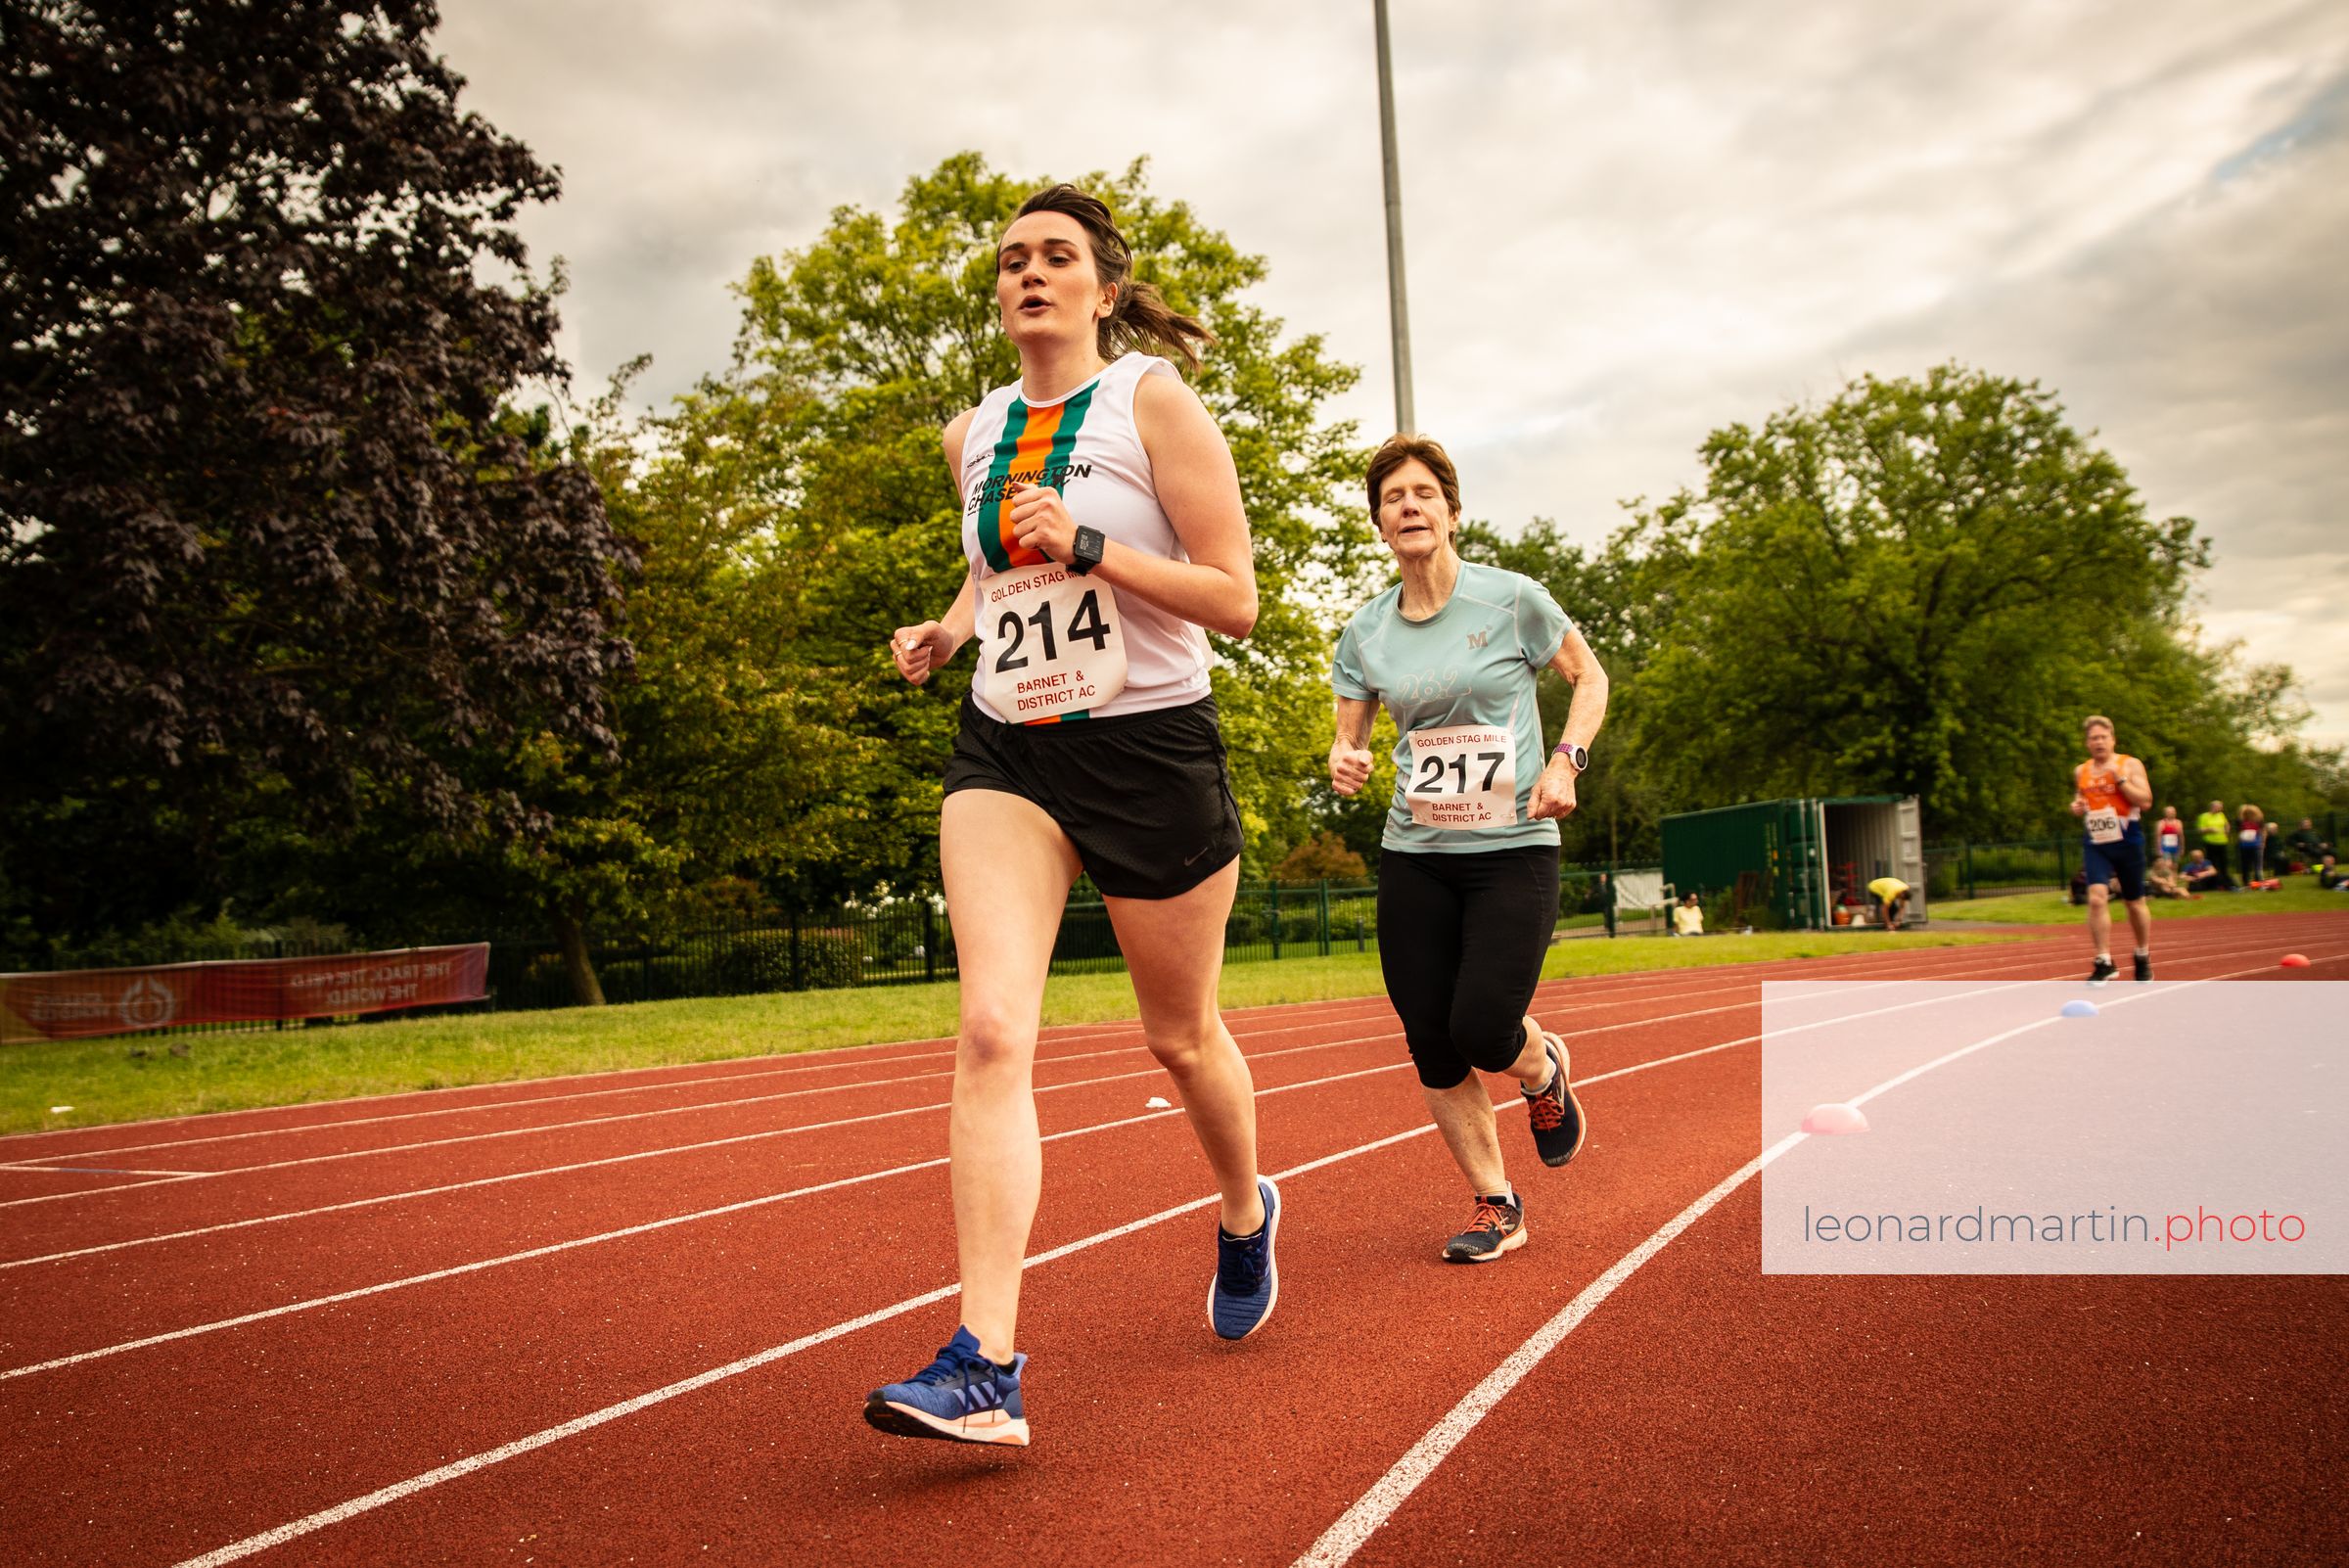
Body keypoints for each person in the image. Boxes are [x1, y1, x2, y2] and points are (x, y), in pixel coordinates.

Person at [872, 185, 1275, 1447]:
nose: (1029, 274)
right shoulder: (973, 433)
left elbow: (1235, 599)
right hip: (1010, 747)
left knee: (1180, 1038)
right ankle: (985, 1361)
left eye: (1056, 257)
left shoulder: (1152, 401)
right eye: (1011, 261)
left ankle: (1245, 1209)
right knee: (993, 1029)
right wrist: (951, 629)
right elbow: (995, 567)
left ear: (1103, 289)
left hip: (1150, 752)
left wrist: (1093, 545)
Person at [1330, 434, 1608, 1265]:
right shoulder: (1366, 632)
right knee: (1431, 1037)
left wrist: (1566, 760)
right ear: (1380, 524)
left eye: (1424, 494)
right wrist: (1345, 759)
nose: (1408, 507)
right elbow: (1350, 737)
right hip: (1415, 853)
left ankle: (1541, 1070)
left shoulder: (1512, 599)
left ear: (1452, 513)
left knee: (1485, 1027)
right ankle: (1496, 1203)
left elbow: (1588, 678)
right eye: (1393, 498)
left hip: (1512, 847)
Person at [2070, 715, 2154, 983]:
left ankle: (2142, 954)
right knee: (2096, 897)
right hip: (2096, 841)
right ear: (2087, 743)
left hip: (2127, 839)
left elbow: (2146, 801)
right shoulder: (2081, 771)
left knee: (2134, 902)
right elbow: (2081, 797)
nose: (2099, 742)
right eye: (2093, 738)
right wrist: (2077, 806)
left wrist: (2122, 781)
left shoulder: (2129, 764)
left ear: (2113, 740)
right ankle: (2104, 960)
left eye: (2103, 737)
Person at [2195, 800, 2234, 890]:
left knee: (2223, 864)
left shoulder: (2221, 815)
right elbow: (2200, 830)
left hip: (2222, 842)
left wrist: (2227, 832)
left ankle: (2225, 883)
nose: (2221, 809)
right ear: (2213, 807)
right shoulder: (2204, 816)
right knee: (2212, 864)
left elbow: (2227, 824)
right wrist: (2210, 829)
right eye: (2219, 807)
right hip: (2210, 843)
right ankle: (2213, 883)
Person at [2235, 805, 2266, 888]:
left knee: (2257, 864)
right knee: (2246, 865)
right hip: (2245, 845)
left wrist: (2263, 842)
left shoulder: (2258, 821)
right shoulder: (2241, 821)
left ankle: (2258, 881)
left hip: (2255, 845)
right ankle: (2246, 882)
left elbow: (2263, 831)